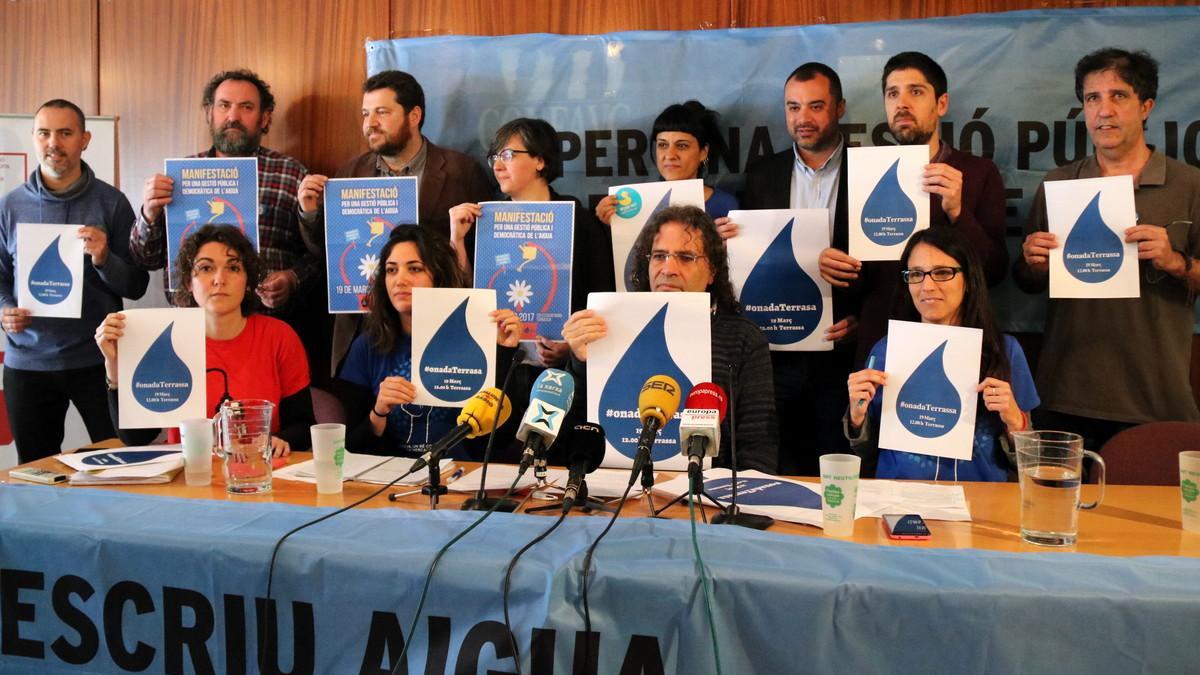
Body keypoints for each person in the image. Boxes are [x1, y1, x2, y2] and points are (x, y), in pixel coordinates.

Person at [1013, 48, 1200, 450]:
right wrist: (1032, 262)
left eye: (1118, 96)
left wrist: (1177, 263)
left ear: (1146, 106)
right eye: (1092, 98)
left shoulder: (1190, 185)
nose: (1104, 111)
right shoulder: (1059, 183)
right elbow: (1027, 282)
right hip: (1064, 394)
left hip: (1155, 399)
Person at [295, 70, 494, 377]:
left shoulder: (461, 172)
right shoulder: (350, 173)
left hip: (443, 328)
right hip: (367, 329)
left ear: (414, 115)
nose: (369, 124)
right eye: (365, 113)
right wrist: (310, 213)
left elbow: (484, 257)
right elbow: (330, 255)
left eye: (382, 112)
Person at [130, 69, 325, 380]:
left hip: (267, 331)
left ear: (264, 118)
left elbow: (321, 254)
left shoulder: (291, 174)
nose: (233, 116)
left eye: (246, 107)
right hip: (193, 333)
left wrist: (293, 279)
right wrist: (149, 214)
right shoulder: (179, 177)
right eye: (224, 106)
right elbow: (146, 258)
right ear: (210, 114)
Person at [820, 52, 1008, 367]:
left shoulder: (978, 172)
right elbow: (865, 283)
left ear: (942, 103)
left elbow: (996, 271)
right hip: (881, 350)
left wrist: (959, 213)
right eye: (893, 93)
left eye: (916, 92)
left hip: (954, 351)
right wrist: (837, 268)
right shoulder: (866, 173)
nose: (902, 103)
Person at [561, 205, 779, 473]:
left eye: (686, 257)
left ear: (712, 271)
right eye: (659, 255)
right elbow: (569, 438)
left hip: (706, 495)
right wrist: (580, 363)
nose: (668, 268)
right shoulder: (605, 327)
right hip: (614, 490)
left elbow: (758, 448)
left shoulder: (743, 338)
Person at [0, 99, 149, 462]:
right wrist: (5, 309)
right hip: (28, 363)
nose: (54, 142)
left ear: (85, 139)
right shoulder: (10, 205)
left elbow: (136, 285)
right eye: (44, 133)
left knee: (117, 464)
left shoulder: (112, 204)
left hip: (96, 361)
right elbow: (2, 276)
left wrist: (103, 259)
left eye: (65, 133)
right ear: (34, 138)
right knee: (35, 472)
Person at [737, 62, 859, 475]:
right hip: (774, 354)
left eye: (815, 106)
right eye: (793, 107)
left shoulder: (869, 171)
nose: (802, 119)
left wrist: (862, 318)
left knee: (835, 465)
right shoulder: (760, 175)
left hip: (842, 350)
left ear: (840, 107)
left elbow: (895, 257)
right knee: (774, 464)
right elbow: (751, 259)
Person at [96, 225, 313, 454]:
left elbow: (303, 426)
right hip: (189, 474)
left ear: (248, 281)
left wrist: (279, 440)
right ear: (189, 282)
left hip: (258, 471)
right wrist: (115, 369)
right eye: (206, 268)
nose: (219, 279)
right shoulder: (165, 336)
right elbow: (137, 438)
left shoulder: (279, 337)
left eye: (233, 268)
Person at [845, 227, 1038, 481]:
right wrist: (856, 417)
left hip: (979, 501)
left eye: (943, 273)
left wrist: (1015, 420)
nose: (927, 285)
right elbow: (864, 451)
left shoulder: (1005, 350)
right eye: (916, 274)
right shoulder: (885, 350)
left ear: (968, 280)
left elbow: (1031, 460)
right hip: (898, 497)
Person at [334, 226, 522, 459]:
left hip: (462, 479)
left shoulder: (479, 338)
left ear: (438, 275)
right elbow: (350, 449)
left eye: (414, 268)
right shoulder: (367, 346)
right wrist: (379, 412)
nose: (399, 280)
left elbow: (503, 440)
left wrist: (504, 353)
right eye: (391, 270)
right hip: (390, 481)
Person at [449, 117, 615, 367]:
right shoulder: (482, 222)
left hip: (568, 370)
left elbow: (602, 299)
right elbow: (464, 295)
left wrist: (571, 346)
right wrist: (457, 239)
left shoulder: (580, 222)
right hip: (498, 362)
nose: (497, 166)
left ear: (540, 160)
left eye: (507, 155)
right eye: (494, 158)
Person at [595, 100, 737, 224]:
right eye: (662, 145)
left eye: (682, 146)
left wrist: (722, 244)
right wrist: (613, 224)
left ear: (703, 152)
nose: (670, 155)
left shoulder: (725, 205)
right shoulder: (632, 205)